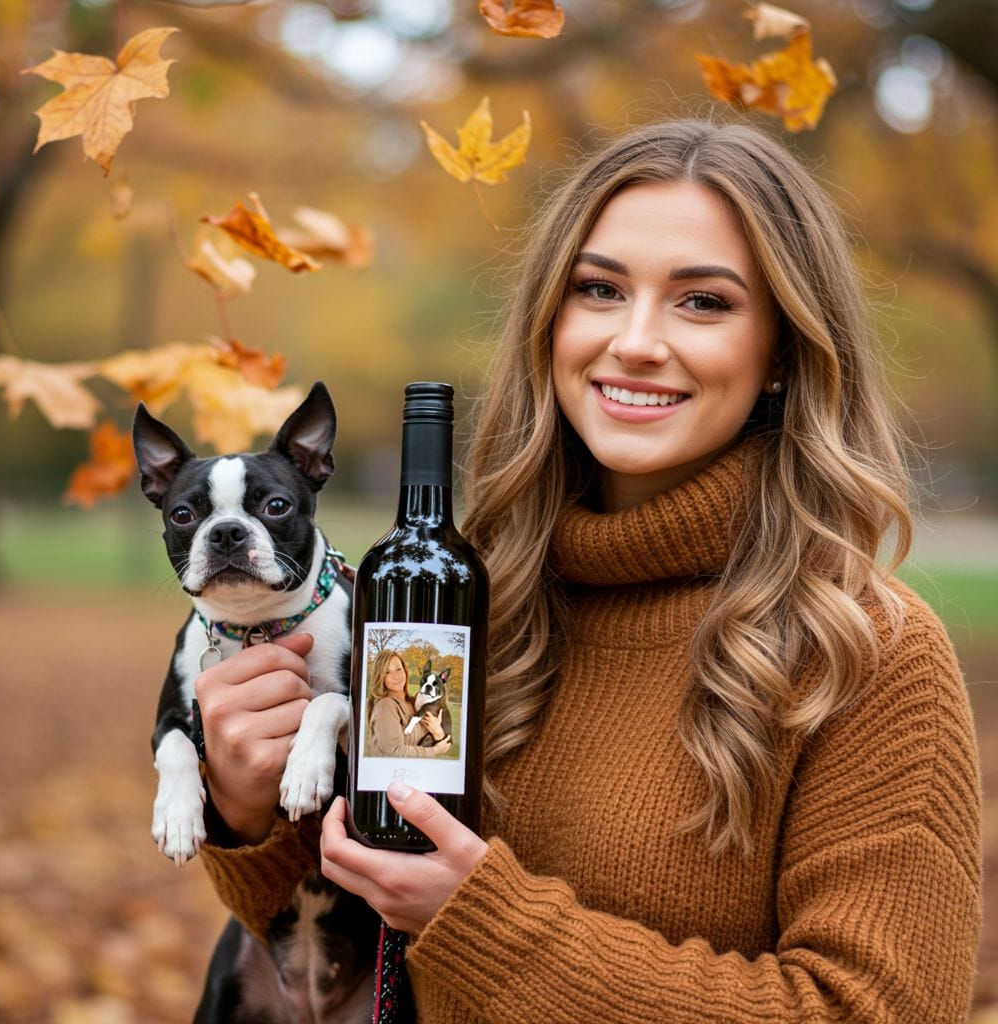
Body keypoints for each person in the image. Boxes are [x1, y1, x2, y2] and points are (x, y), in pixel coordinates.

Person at [194, 119, 981, 1021]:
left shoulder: (867, 653)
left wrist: (488, 927)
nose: (636, 341)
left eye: (704, 303)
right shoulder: (465, 601)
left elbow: (870, 1010)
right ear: (551, 322)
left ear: (784, 354)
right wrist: (250, 812)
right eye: (599, 289)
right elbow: (347, 938)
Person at [366, 649, 452, 757]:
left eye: (398, 669)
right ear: (380, 677)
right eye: (387, 672)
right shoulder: (386, 706)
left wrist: (438, 733)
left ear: (405, 671)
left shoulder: (414, 701)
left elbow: (444, 743)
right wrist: (435, 750)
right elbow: (394, 752)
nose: (396, 676)